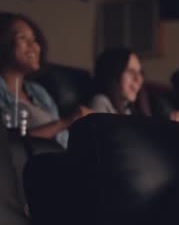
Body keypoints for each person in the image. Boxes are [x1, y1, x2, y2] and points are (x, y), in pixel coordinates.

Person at [0, 12, 90, 147]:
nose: (35, 46)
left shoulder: (38, 91)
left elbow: (62, 137)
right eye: (22, 38)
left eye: (35, 39)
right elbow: (10, 143)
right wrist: (68, 121)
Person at [90, 47, 151, 116]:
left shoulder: (129, 107)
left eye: (140, 72)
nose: (138, 79)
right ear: (113, 74)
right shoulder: (100, 101)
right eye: (131, 71)